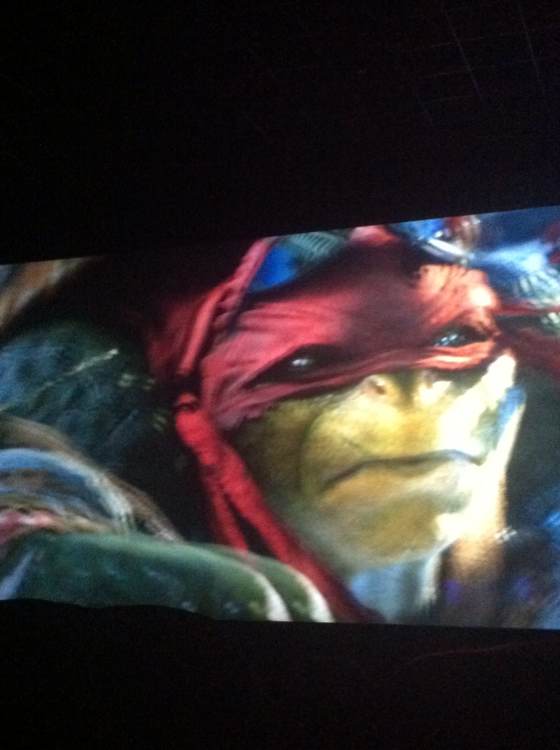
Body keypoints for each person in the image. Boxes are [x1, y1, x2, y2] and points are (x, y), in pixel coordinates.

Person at [1, 215, 560, 625]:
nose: (413, 391)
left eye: (454, 341)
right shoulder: (94, 383)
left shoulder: (525, 422)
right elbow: (32, 474)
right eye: (308, 364)